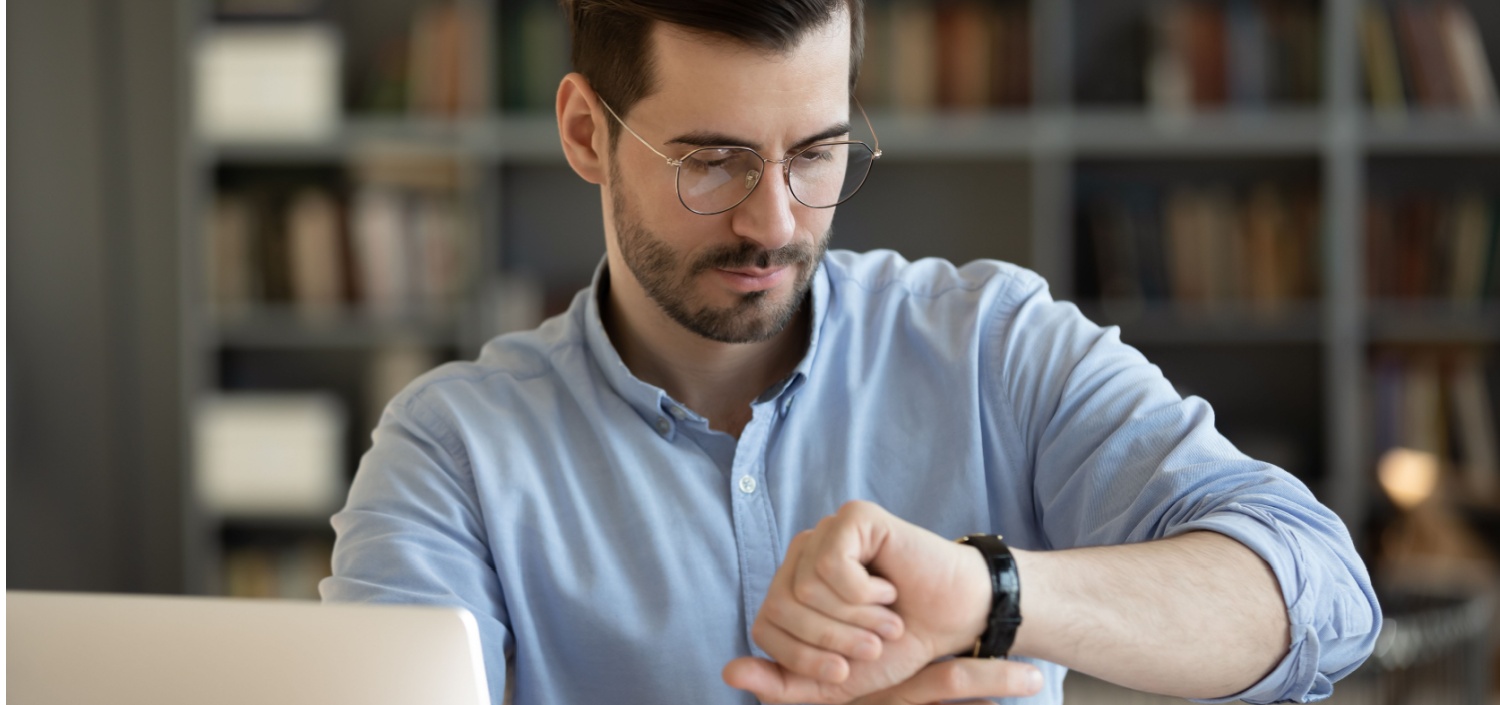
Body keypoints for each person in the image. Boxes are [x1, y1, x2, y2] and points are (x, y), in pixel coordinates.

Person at [321, 1, 1380, 703]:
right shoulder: (452, 450)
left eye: (818, 153)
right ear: (587, 132)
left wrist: (988, 594)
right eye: (714, 163)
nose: (774, 222)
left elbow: (1325, 595)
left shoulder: (990, 345)